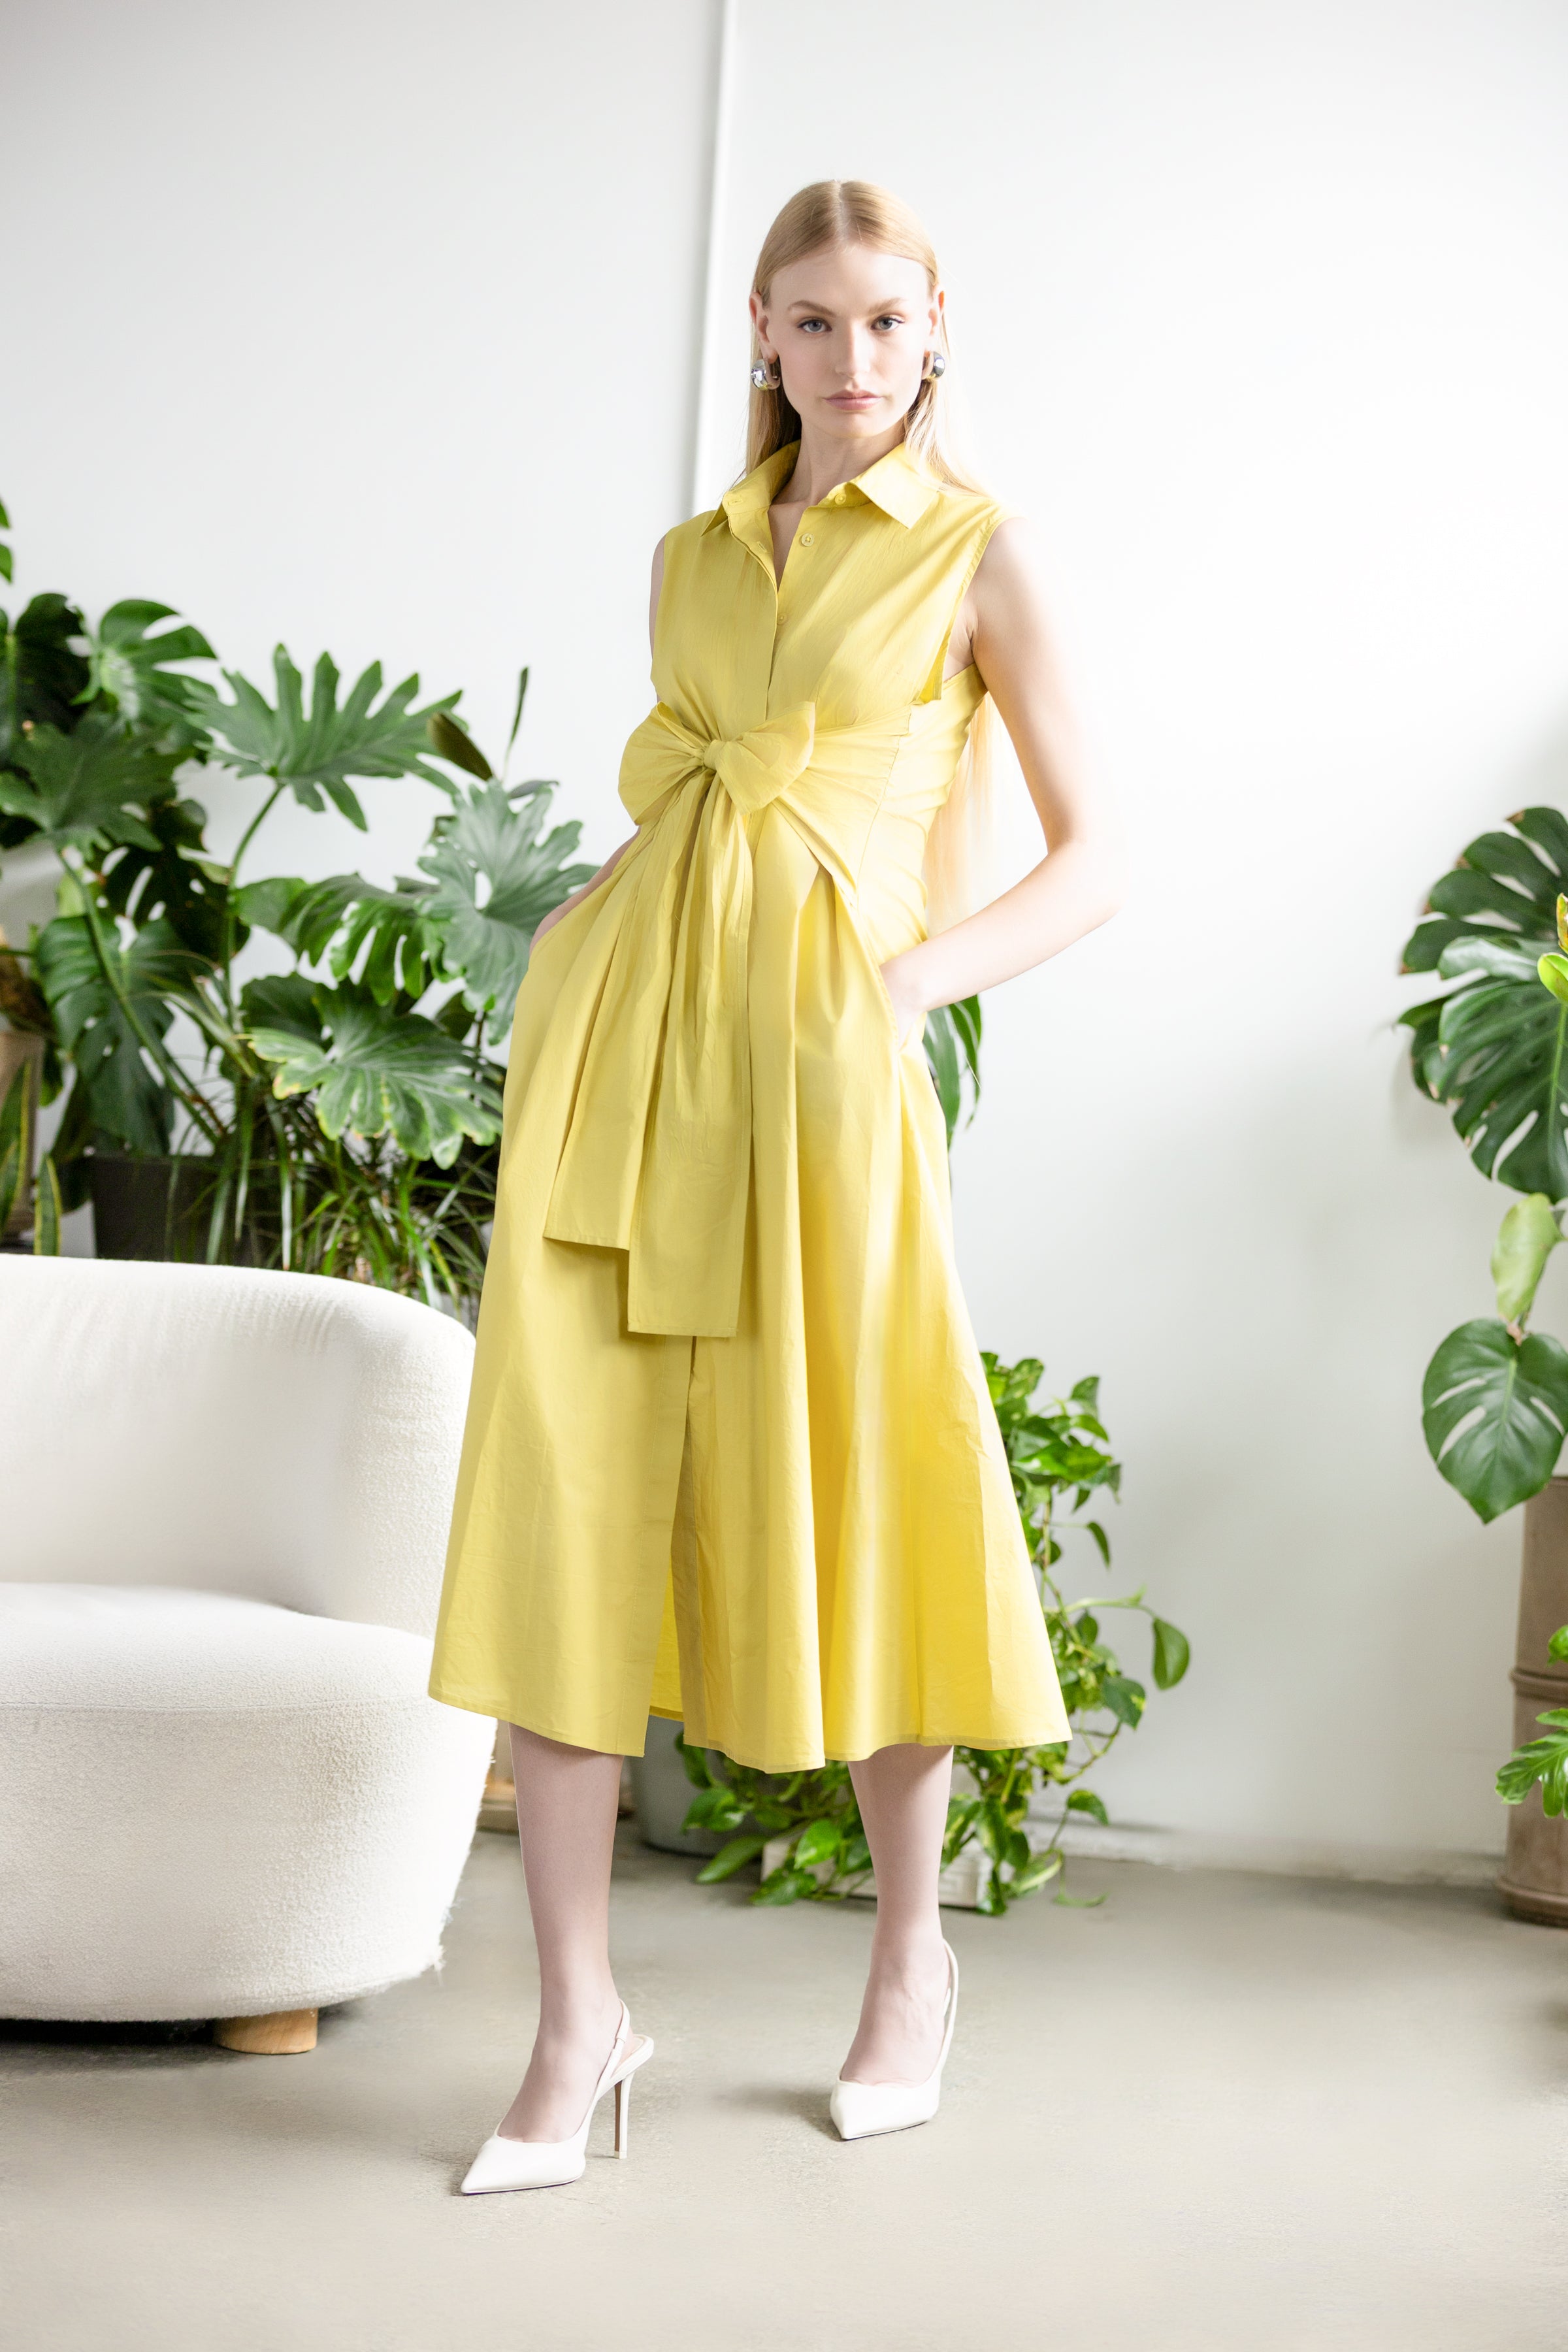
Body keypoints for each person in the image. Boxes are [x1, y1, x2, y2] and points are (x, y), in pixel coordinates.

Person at [430, 179, 1124, 2195]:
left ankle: (911, 1963)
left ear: (935, 335)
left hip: (825, 1084)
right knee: (564, 1492)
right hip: (621, 1055)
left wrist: (908, 985)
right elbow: (688, 818)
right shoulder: (690, 562)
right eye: (814, 325)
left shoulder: (983, 562)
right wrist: (564, 955)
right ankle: (576, 2028)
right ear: (761, 333)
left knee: (869, 1484)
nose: (854, 361)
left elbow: (1099, 857)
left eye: (889, 324)